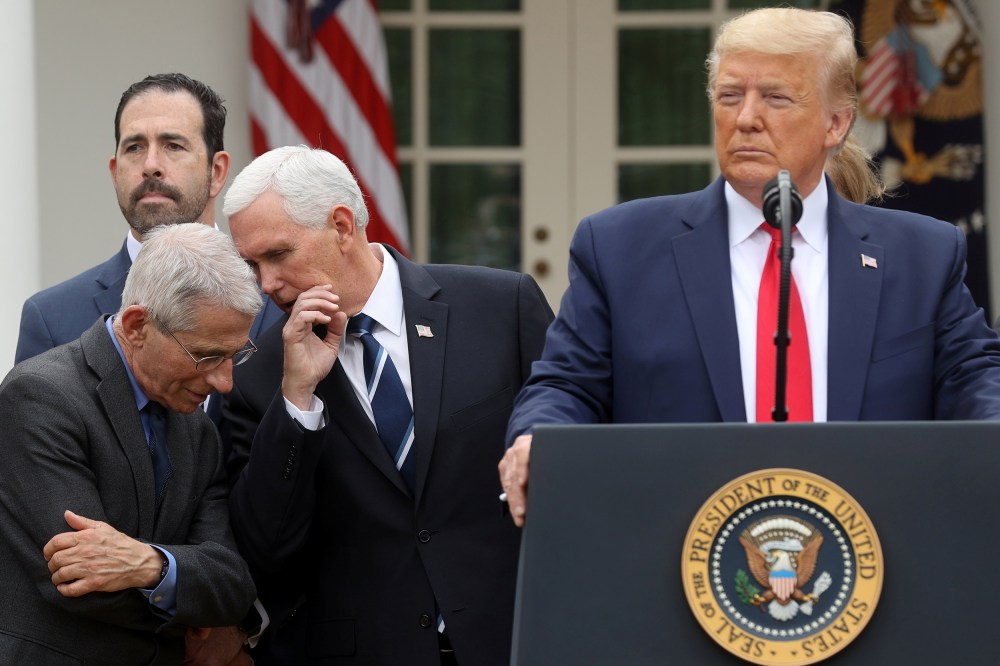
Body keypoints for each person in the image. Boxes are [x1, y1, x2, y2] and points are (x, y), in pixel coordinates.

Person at [500, 7, 1000, 527]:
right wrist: (537, 439)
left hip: (875, 554)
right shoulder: (620, 247)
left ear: (836, 122)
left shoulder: (922, 254)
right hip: (677, 556)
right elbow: (565, 386)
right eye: (730, 95)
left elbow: (974, 376)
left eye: (776, 97)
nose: (745, 119)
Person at [221, 146, 553, 665]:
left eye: (278, 255)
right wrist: (298, 400)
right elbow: (264, 552)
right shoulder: (260, 377)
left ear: (342, 225)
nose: (266, 285)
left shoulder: (499, 308)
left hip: (511, 640)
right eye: (252, 265)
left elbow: (572, 457)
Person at [0, 223, 261, 664]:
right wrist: (193, 607)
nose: (224, 381)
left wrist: (149, 565)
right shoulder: (41, 398)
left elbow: (233, 583)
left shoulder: (197, 431)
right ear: (139, 325)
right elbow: (79, 587)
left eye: (235, 355)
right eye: (207, 356)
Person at [15, 72, 282, 365]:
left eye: (173, 146)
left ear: (216, 172)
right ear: (115, 173)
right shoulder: (52, 319)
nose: (151, 165)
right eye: (134, 147)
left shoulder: (281, 300)